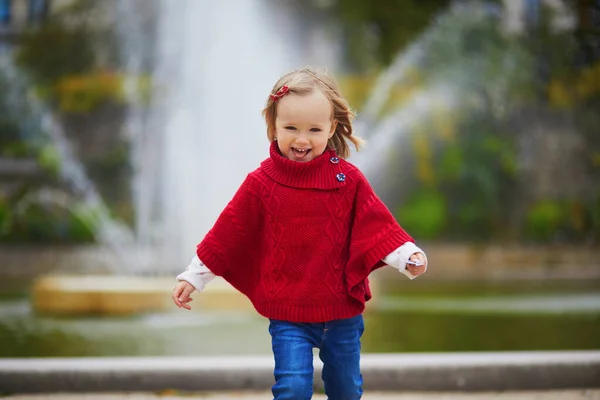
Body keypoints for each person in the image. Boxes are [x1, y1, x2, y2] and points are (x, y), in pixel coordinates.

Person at [172, 67, 428, 400]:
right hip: (289, 314)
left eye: (314, 129)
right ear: (273, 127)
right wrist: (195, 276)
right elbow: (229, 232)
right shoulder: (261, 183)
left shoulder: (347, 181)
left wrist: (406, 255)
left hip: (341, 313)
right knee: (292, 388)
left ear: (331, 128)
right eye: (290, 128)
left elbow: (375, 226)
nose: (302, 139)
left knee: (346, 389)